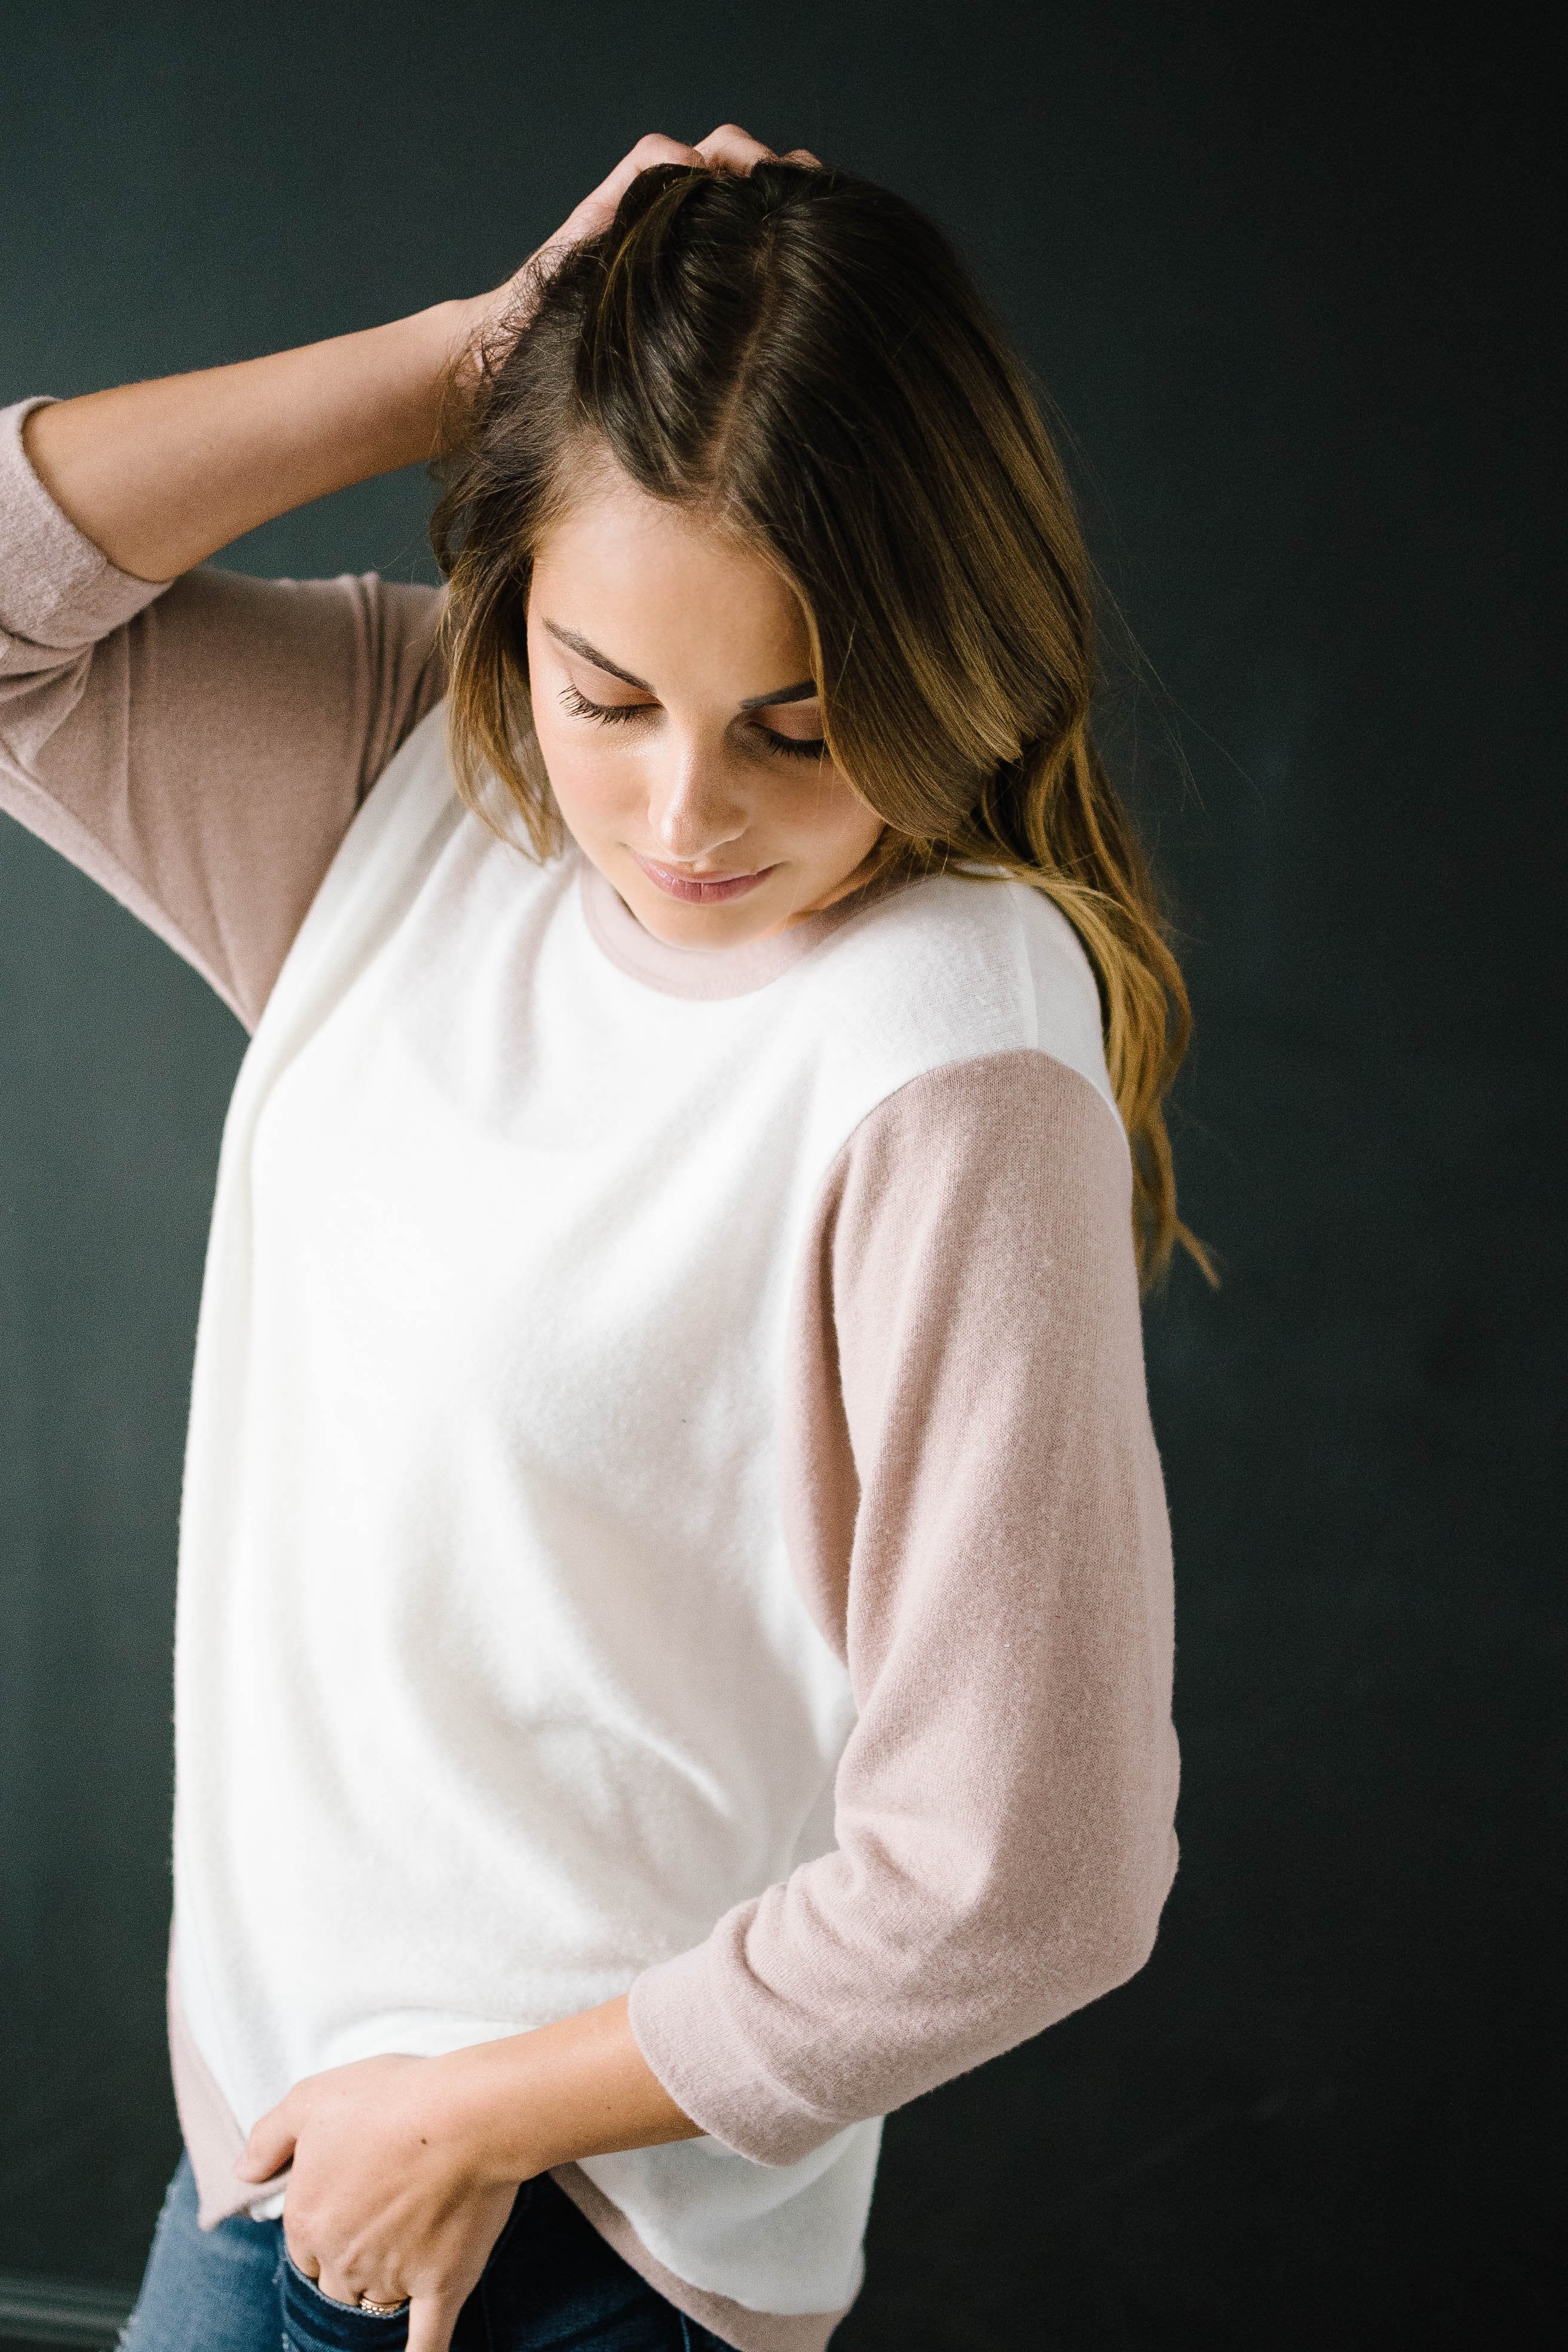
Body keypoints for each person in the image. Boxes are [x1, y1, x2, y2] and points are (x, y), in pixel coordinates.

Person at [0, 124, 1196, 2352]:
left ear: (949, 655)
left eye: (802, 723)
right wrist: (461, 366)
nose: (676, 818)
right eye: (607, 694)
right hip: (276, 2151)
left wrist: (477, 2120)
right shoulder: (418, 779)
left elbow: (1034, 1872)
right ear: (511, 616)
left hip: (571, 2248)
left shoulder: (952, 1041)